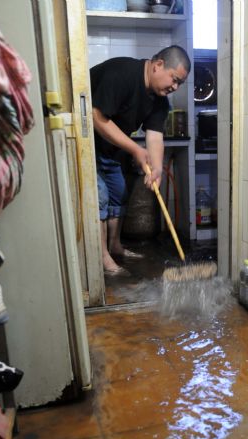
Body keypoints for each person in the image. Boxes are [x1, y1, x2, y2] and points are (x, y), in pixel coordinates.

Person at [90, 45, 191, 275]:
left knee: (119, 191)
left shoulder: (159, 100)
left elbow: (155, 137)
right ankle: (103, 258)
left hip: (110, 148)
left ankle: (115, 246)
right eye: (174, 80)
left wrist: (156, 169)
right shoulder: (122, 73)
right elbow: (96, 116)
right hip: (86, 143)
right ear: (158, 65)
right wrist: (135, 149)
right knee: (100, 198)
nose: (174, 87)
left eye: (179, 84)